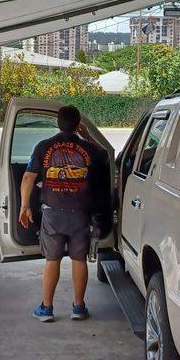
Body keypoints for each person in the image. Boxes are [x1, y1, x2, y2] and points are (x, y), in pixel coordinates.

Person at [19, 105, 111, 322]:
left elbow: (28, 178)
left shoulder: (44, 147)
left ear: (57, 123)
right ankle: (78, 308)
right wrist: (86, 134)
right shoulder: (89, 149)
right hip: (81, 213)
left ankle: (46, 308)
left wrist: (25, 206)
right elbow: (106, 155)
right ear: (78, 125)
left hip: (53, 213)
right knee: (79, 259)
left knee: (52, 259)